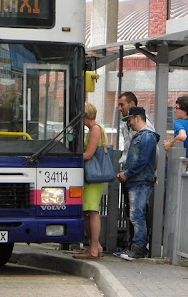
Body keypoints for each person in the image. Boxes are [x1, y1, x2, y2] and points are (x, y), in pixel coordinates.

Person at [116, 106, 160, 261]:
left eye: (130, 119)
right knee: (136, 214)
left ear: (137, 118)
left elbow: (142, 161)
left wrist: (127, 174)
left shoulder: (146, 136)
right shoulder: (145, 136)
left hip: (140, 181)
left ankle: (139, 247)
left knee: (137, 215)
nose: (129, 123)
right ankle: (138, 247)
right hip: (139, 180)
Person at [74, 101, 106, 260]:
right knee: (87, 211)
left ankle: (93, 248)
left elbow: (88, 154)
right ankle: (96, 246)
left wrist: (71, 156)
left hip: (94, 177)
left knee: (92, 211)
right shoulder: (93, 129)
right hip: (91, 177)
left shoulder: (95, 129)